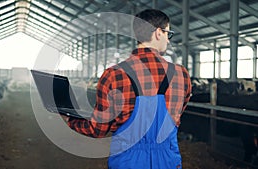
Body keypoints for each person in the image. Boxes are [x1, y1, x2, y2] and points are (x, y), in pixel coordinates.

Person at [62, 9, 191, 169]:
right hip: (167, 160)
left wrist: (71, 120)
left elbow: (98, 129)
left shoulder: (114, 75)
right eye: (168, 34)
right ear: (159, 32)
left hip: (128, 162)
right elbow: (178, 113)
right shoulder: (181, 75)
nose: (168, 40)